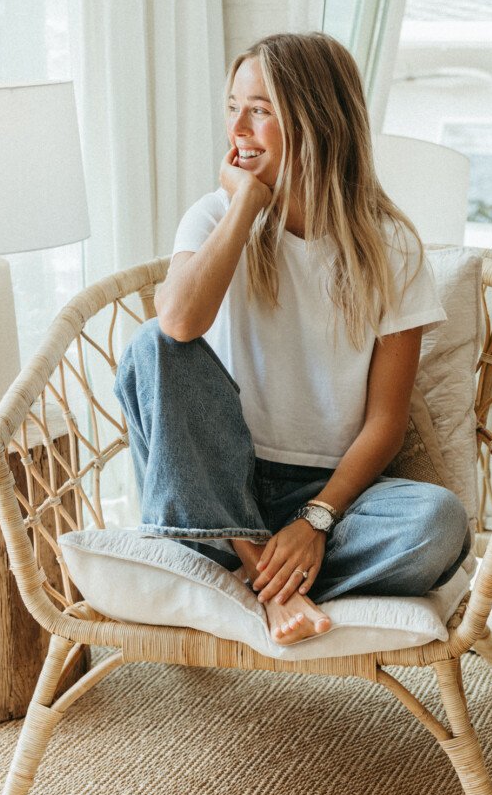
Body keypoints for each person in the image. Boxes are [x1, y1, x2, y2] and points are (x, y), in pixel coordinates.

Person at [114, 31, 469, 646]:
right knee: (152, 343)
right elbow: (179, 326)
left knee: (438, 524)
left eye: (260, 109)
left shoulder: (391, 247)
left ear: (315, 119)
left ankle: (253, 575)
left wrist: (316, 520)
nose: (238, 129)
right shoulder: (211, 216)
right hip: (213, 478)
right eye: (233, 107)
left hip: (328, 495)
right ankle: (265, 573)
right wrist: (247, 203)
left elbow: (385, 420)